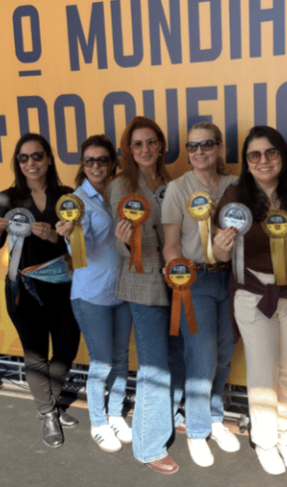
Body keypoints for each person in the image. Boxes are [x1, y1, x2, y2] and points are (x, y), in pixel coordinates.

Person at [212, 126, 287, 475]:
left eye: (270, 152)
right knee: (262, 371)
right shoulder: (235, 197)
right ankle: (265, 439)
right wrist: (219, 247)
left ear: (282, 155)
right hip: (254, 295)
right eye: (254, 155)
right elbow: (220, 254)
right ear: (246, 162)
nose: (263, 161)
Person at [0, 133, 81, 448]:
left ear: (49, 159)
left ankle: (49, 402)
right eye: (23, 158)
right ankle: (48, 413)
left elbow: (80, 246)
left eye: (37, 155)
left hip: (63, 286)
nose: (31, 163)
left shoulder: (66, 196)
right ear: (18, 163)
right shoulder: (6, 198)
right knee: (36, 354)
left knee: (66, 350)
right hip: (23, 288)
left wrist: (54, 236)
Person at [162, 121, 240, 468]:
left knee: (224, 353)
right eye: (192, 146)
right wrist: (178, 275)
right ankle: (196, 430)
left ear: (220, 147)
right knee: (201, 355)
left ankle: (214, 417)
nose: (199, 152)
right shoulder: (178, 188)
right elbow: (171, 245)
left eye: (206, 144)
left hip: (233, 280)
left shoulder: (236, 185)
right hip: (196, 280)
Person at [106, 116, 181, 474]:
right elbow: (122, 243)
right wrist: (124, 240)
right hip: (143, 282)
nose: (145, 149)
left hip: (176, 279)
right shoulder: (121, 185)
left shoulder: (169, 181)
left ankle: (170, 415)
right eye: (137, 144)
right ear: (129, 150)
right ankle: (149, 445)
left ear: (161, 145)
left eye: (151, 142)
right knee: (154, 366)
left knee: (175, 356)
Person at [55, 135, 133, 453]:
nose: (96, 166)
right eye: (89, 160)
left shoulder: (122, 193)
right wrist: (70, 233)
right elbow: (80, 245)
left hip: (123, 290)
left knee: (120, 359)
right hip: (90, 295)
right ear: (83, 165)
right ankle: (98, 423)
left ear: (112, 163)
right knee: (101, 363)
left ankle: (115, 415)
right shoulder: (76, 201)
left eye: (102, 160)